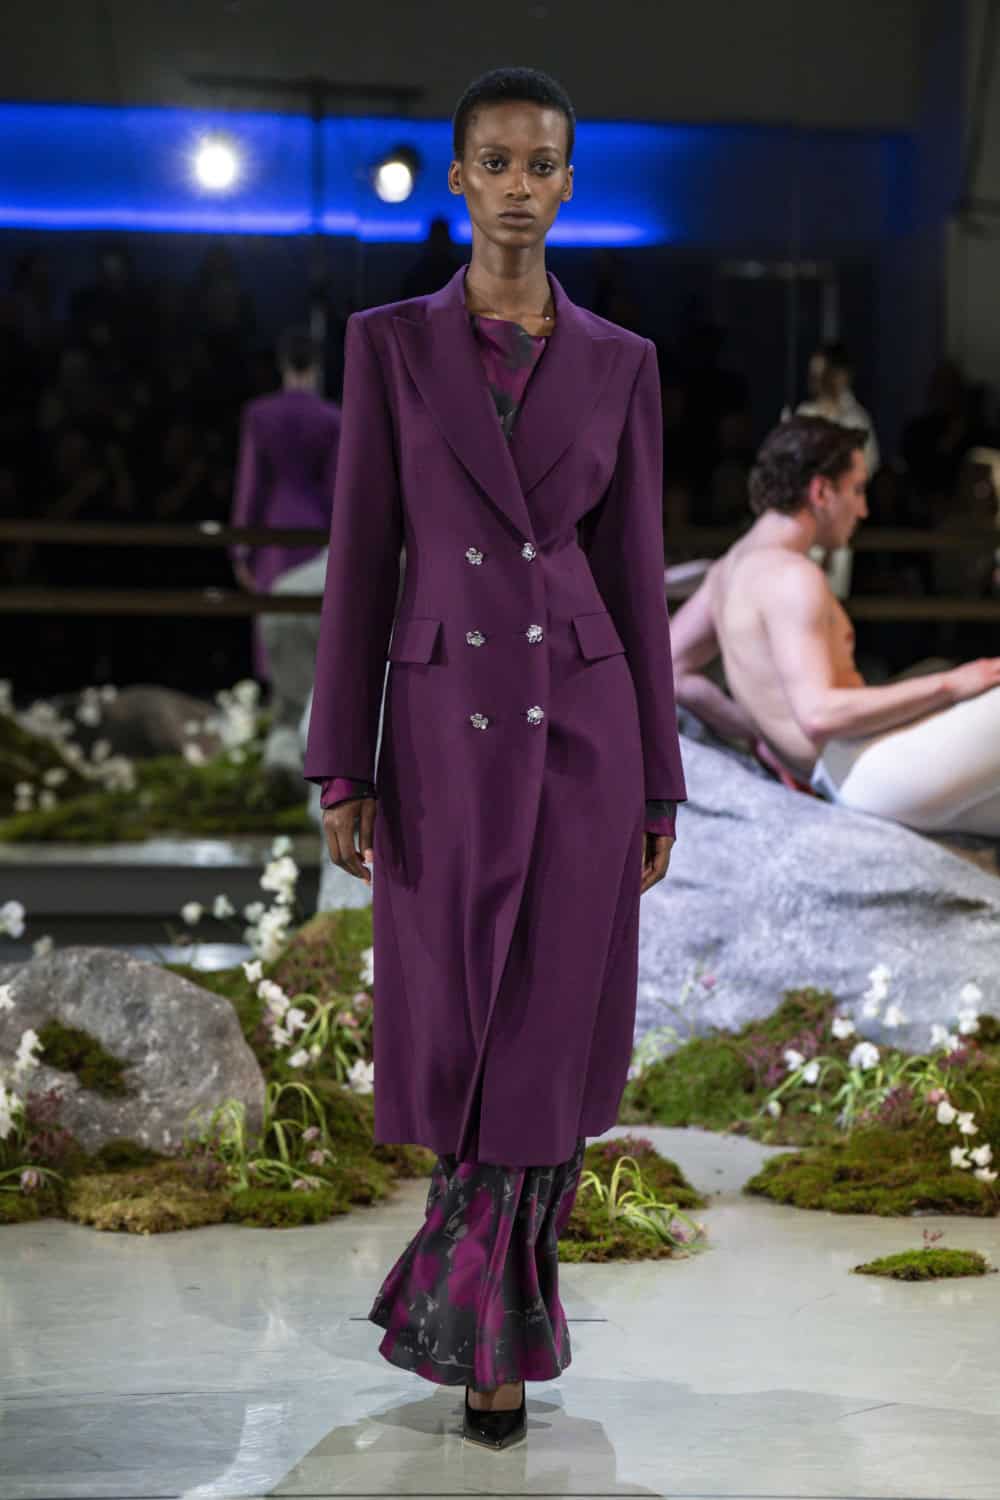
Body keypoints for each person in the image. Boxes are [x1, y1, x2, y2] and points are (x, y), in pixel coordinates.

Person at [302, 65, 687, 1448]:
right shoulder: (389, 348)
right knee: (465, 1025)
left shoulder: (622, 363)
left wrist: (659, 776)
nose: (519, 186)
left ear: (568, 185)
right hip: (441, 728)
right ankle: (475, 1305)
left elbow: (634, 576)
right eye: (496, 162)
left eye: (542, 165)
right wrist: (342, 761)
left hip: (582, 725)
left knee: (544, 1027)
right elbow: (362, 555)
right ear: (460, 179)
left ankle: (486, 1338)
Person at [669, 415, 1000, 835]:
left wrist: (760, 731)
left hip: (849, 774)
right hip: (870, 766)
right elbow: (819, 714)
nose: (863, 509)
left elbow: (672, 667)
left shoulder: (727, 571)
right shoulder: (791, 575)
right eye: (857, 490)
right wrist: (951, 685)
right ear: (821, 491)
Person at [229, 327, 341, 680]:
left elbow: (250, 484)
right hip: (318, 531)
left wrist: (241, 549)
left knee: (274, 632)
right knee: (315, 631)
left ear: (282, 365)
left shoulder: (259, 414)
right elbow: (337, 488)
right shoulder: (331, 417)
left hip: (272, 536)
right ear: (317, 366)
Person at [796, 340, 880, 477]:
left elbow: (869, 464)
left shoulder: (856, 418)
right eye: (814, 374)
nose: (818, 380)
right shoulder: (805, 413)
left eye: (824, 373)